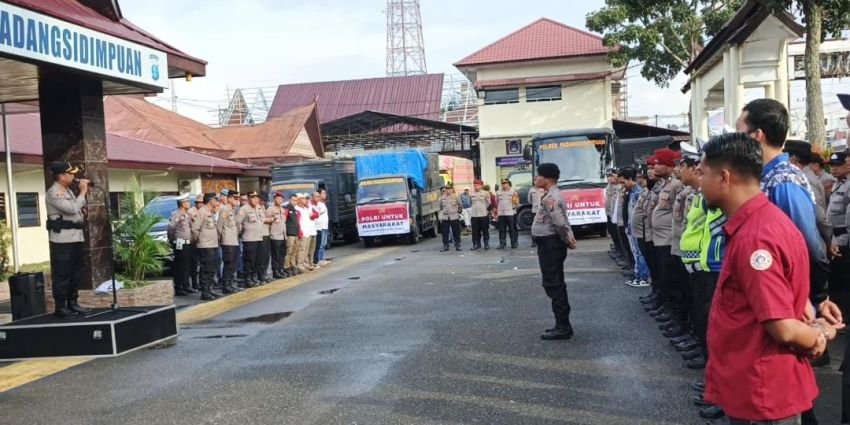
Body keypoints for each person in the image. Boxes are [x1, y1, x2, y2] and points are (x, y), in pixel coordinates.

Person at [698, 132, 839, 425]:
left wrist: (820, 335)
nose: (699, 182)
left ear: (724, 177)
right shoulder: (762, 222)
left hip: (763, 390)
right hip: (755, 386)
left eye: (703, 174)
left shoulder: (756, 238)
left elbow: (784, 328)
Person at [532, 163, 577, 341]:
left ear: (547, 178)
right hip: (548, 243)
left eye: (538, 176)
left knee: (554, 284)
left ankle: (563, 326)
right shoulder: (550, 195)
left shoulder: (551, 198)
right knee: (553, 282)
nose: (536, 179)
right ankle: (561, 324)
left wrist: (568, 238)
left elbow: (559, 221)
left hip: (551, 244)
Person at [650, 148, 688, 340]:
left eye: (658, 163)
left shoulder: (677, 185)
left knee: (675, 283)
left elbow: (679, 214)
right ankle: (674, 316)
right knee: (667, 280)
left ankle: (681, 322)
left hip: (669, 240)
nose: (655, 167)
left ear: (669, 166)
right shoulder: (666, 184)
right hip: (661, 239)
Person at [45, 162, 91, 317]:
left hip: (75, 237)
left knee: (75, 272)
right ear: (62, 176)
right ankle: (61, 306)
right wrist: (83, 192)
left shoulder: (68, 190)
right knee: (63, 274)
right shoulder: (54, 192)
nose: (74, 176)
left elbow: (77, 209)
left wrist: (81, 194)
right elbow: (71, 209)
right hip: (63, 240)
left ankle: (73, 302)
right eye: (70, 174)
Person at [621, 167, 649, 288]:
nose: (623, 185)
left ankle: (643, 277)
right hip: (632, 227)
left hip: (638, 228)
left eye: (624, 182)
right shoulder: (631, 191)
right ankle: (638, 275)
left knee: (639, 253)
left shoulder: (638, 192)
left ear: (631, 179)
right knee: (636, 252)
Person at [192, 193, 223, 301]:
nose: (217, 201)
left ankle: (210, 289)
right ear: (211, 200)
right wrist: (199, 241)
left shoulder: (210, 212)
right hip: (205, 245)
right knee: (206, 268)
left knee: (212, 268)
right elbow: (195, 229)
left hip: (213, 244)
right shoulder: (202, 212)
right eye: (216, 199)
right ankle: (205, 292)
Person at [216, 191, 242, 294]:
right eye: (235, 199)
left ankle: (231, 283)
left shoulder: (233, 210)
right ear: (230, 198)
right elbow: (219, 226)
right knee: (229, 263)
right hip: (227, 241)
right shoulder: (225, 210)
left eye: (238, 199)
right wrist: (219, 239)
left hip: (234, 240)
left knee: (234, 263)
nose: (237, 201)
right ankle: (226, 285)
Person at [168, 195, 194, 296]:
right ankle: (179, 287)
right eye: (187, 202)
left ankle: (186, 285)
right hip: (180, 243)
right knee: (180, 266)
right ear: (182, 203)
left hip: (188, 243)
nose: (189, 204)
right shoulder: (176, 214)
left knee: (187, 266)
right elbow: (171, 229)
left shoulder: (187, 214)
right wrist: (172, 240)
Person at [238, 192, 264, 287]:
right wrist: (241, 233)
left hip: (258, 238)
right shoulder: (244, 209)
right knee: (249, 261)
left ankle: (254, 277)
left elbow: (262, 220)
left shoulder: (258, 208)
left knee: (257, 260)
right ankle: (247, 279)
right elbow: (238, 223)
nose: (256, 200)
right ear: (249, 199)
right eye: (253, 198)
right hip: (249, 239)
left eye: (257, 198)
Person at [267, 192, 288, 279]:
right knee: (276, 254)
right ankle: (275, 271)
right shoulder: (270, 209)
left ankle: (281, 269)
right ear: (274, 199)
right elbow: (267, 222)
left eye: (281, 199)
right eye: (278, 198)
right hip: (275, 235)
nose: (279, 200)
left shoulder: (282, 210)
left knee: (282, 253)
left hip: (283, 235)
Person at [496, 179, 520, 249]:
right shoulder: (498, 192)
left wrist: (516, 203)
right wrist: (496, 212)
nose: (504, 185)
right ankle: (502, 243)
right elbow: (496, 202)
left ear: (509, 184)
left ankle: (514, 242)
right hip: (501, 213)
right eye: (503, 183)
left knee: (512, 228)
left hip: (511, 213)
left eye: (505, 183)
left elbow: (517, 203)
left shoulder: (513, 192)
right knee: (501, 229)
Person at [297, 194, 318, 272]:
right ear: (299, 200)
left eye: (304, 199)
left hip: (308, 231)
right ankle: (300, 264)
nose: (304, 200)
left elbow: (316, 214)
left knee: (306, 249)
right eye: (302, 199)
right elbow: (298, 222)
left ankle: (305, 263)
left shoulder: (305, 209)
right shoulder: (297, 209)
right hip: (302, 232)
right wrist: (300, 231)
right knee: (301, 249)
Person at [188, 194, 204, 292]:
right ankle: (194, 283)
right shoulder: (191, 212)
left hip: (203, 241)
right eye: (199, 203)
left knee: (203, 264)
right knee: (194, 264)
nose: (201, 204)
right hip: (193, 241)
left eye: (202, 202)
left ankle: (202, 283)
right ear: (196, 203)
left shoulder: (205, 211)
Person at [469, 180, 491, 250]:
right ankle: (476, 244)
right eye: (474, 185)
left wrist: (486, 210)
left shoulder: (486, 193)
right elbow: (470, 203)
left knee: (485, 230)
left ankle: (486, 244)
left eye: (477, 185)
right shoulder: (471, 194)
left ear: (481, 186)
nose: (475, 187)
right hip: (474, 215)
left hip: (483, 215)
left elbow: (489, 203)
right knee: (475, 231)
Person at [439, 185, 463, 252]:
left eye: (449, 189)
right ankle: (445, 245)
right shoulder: (442, 197)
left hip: (454, 216)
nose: (447, 190)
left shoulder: (455, 196)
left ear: (452, 189)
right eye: (446, 189)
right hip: (445, 217)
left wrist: (459, 211)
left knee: (456, 231)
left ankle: (457, 244)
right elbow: (440, 206)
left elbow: (460, 204)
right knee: (445, 232)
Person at [284, 194, 302, 276]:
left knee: (295, 250)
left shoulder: (294, 209)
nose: (295, 202)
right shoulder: (287, 208)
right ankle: (287, 267)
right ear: (289, 200)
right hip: (290, 233)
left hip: (295, 233)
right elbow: (284, 220)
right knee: (289, 251)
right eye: (293, 200)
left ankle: (293, 265)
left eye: (296, 200)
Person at [312, 191, 329, 266]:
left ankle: (322, 258)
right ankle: (318, 259)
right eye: (323, 193)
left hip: (325, 226)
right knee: (320, 244)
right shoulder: (315, 205)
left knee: (324, 243)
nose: (324, 195)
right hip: (319, 227)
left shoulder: (322, 204)